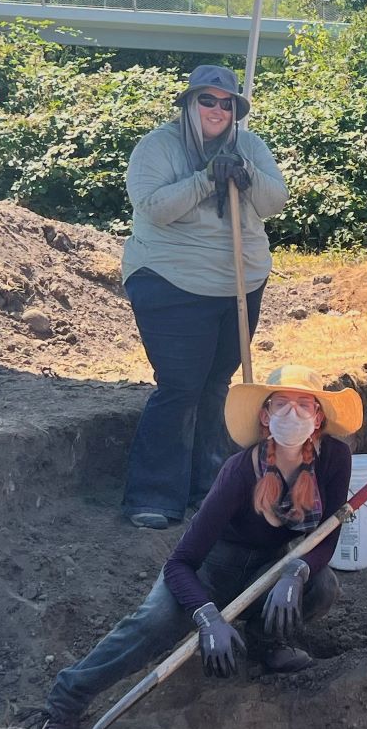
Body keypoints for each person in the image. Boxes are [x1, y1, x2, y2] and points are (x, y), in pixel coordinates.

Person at [40, 364, 361, 729]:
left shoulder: (334, 459)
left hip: (266, 566)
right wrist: (206, 615)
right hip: (207, 570)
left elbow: (326, 536)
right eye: (281, 404)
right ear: (265, 415)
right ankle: (67, 700)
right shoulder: (240, 472)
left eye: (304, 404)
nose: (293, 415)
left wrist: (297, 571)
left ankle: (264, 643)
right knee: (153, 622)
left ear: (319, 415)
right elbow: (179, 564)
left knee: (321, 586)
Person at [118, 63, 288, 529]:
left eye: (225, 103)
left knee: (216, 383)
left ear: (235, 109)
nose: (217, 109)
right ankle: (152, 494)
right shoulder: (158, 146)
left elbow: (276, 202)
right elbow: (154, 208)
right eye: (207, 100)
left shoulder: (248, 145)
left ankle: (208, 486)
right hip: (170, 282)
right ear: (189, 104)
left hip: (238, 282)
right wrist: (207, 178)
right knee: (180, 386)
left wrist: (246, 174)